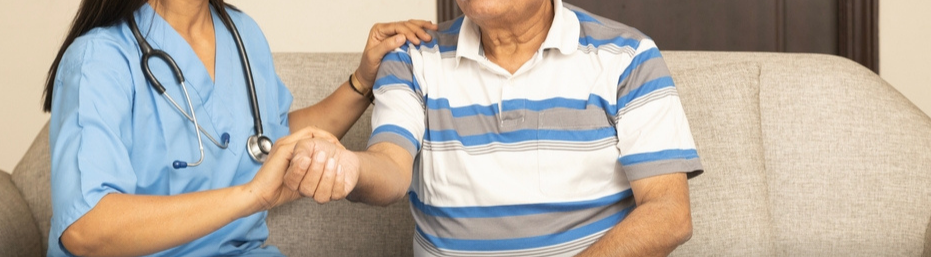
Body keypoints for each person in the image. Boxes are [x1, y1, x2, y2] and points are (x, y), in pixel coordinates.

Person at [282, 0, 703, 256]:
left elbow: (669, 213)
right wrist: (348, 167)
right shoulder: (412, 57)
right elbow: (389, 166)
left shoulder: (628, 57)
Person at [42, 0, 435, 256]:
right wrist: (251, 196)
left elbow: (268, 141)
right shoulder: (99, 58)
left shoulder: (241, 33)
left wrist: (362, 82)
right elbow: (86, 228)